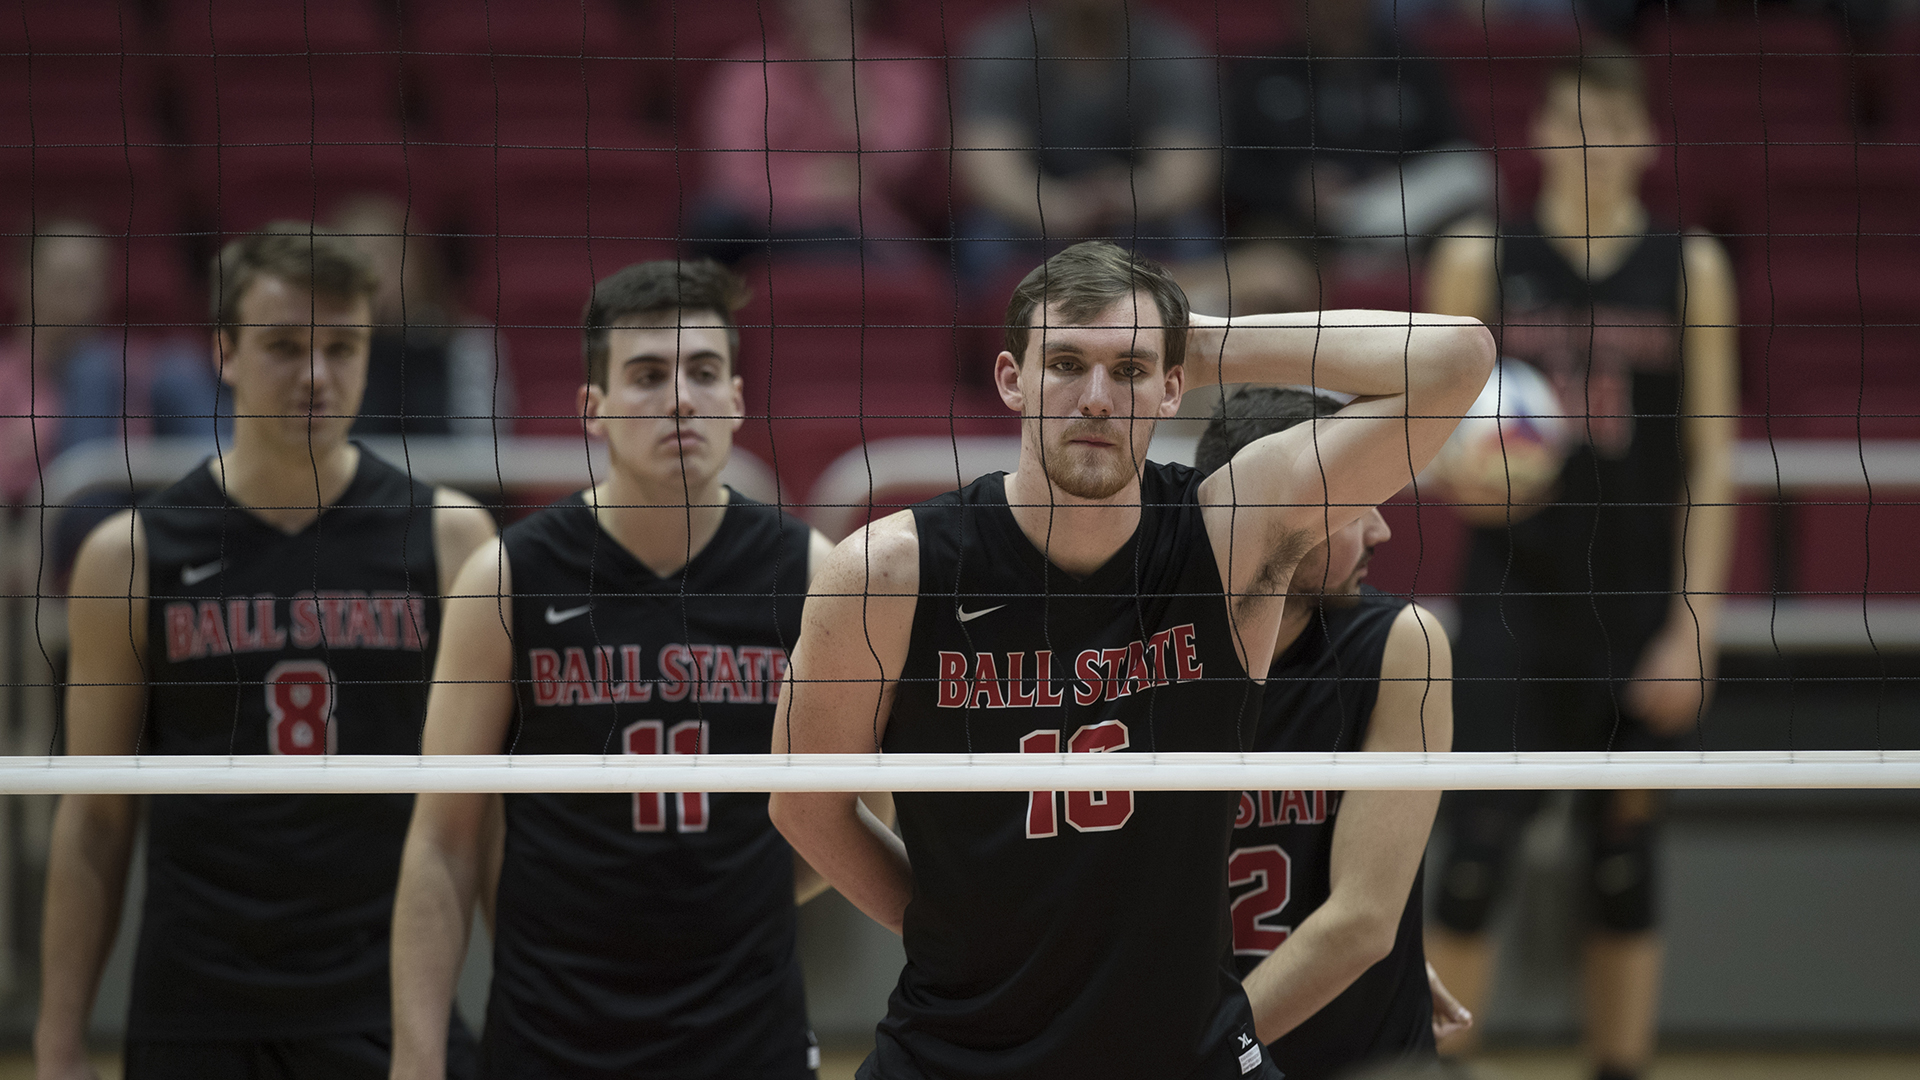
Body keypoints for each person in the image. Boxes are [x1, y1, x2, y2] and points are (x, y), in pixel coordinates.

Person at [770, 239, 1494, 1080]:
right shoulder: (888, 571)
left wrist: (1204, 337)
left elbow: (1459, 358)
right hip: (955, 1049)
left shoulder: (1230, 536)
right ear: (1011, 379)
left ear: (1174, 383)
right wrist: (952, 932)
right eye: (1068, 363)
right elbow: (804, 805)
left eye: (1132, 369)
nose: (1098, 398)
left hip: (1187, 1054)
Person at [34, 223, 497, 1080]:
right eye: (284, 346)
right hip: (195, 1010)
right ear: (225, 352)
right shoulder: (131, 553)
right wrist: (59, 1041)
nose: (316, 374)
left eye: (342, 346)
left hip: (384, 1002)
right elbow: (94, 820)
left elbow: (493, 810)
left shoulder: (451, 538)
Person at [390, 259, 865, 1079]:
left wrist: (729, 898)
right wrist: (417, 1058)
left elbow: (860, 804)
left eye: (704, 372)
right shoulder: (510, 577)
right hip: (554, 1028)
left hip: (745, 1028)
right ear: (592, 409)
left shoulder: (808, 570)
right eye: (647, 376)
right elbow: (441, 842)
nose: (680, 398)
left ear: (738, 400)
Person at [1421, 53, 1738, 1080]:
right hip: (1512, 594)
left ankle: (1620, 1070)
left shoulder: (1688, 265)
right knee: (1471, 857)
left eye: (1613, 116)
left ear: (1645, 137)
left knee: (1622, 864)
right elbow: (1426, 436)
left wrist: (1695, 623)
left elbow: (1711, 455)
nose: (1592, 135)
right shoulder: (1483, 252)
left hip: (1640, 597)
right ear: (1543, 131)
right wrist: (1473, 480)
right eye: (1572, 114)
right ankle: (1439, 1063)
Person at [1195, 387, 1470, 1079]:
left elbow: (1360, 924)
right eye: (1353, 503)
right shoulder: (1150, 650)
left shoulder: (1401, 644)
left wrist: (1193, 1056)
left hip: (1357, 1060)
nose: (1380, 531)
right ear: (1274, 511)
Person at [1199, 0, 1492, 315]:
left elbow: (1455, 150)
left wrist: (1396, 179)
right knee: (1271, 261)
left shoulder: (1410, 65)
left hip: (1400, 217)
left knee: (1471, 177)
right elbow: (1231, 171)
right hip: (1296, 230)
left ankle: (1371, 235)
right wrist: (1294, 189)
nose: (1336, 13)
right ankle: (1361, 245)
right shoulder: (1258, 73)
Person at [953, 0, 1220, 285]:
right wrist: (1058, 207)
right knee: (984, 235)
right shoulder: (1002, 45)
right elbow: (988, 163)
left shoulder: (1173, 48)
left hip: (1139, 210)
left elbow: (1187, 167)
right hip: (1033, 211)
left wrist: (1130, 197)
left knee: (1193, 234)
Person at [693, 0, 939, 262]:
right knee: (715, 221)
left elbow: (899, 166)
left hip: (862, 231)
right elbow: (736, 175)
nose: (823, 8)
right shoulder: (747, 73)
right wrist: (812, 184)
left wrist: (844, 79)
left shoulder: (905, 71)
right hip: (763, 225)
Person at [0, 217, 224, 501]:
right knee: (92, 369)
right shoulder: (5, 375)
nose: (71, 297)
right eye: (60, 281)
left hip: (144, 503)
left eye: (84, 283)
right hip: (52, 520)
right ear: (22, 280)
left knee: (180, 364)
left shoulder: (133, 364)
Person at [331, 195, 514, 439]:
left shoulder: (467, 342)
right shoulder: (316, 348)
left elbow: (484, 447)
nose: (375, 273)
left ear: (417, 265)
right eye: (359, 258)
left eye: (387, 256)